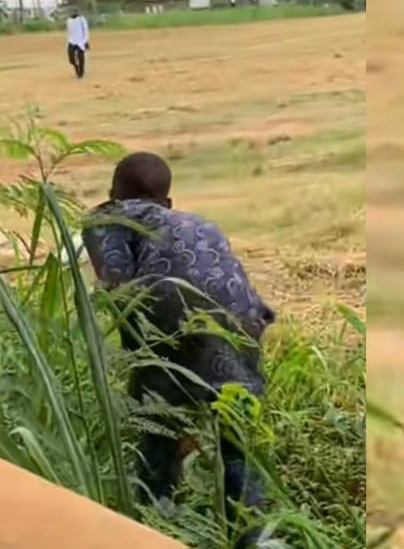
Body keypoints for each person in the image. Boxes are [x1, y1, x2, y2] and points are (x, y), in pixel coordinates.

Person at [80, 152, 274, 530]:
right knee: (238, 443)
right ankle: (257, 534)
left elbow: (121, 292)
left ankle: (158, 524)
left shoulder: (110, 217)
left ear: (113, 193)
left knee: (158, 435)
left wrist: (148, 380)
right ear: (168, 201)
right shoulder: (202, 224)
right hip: (245, 325)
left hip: (176, 322)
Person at [65, 8, 89, 79]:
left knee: (80, 58)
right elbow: (69, 31)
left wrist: (85, 41)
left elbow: (85, 30)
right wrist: (68, 40)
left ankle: (81, 73)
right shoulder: (68, 20)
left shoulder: (81, 19)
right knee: (71, 58)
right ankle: (77, 70)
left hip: (80, 41)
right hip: (71, 41)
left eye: (74, 12)